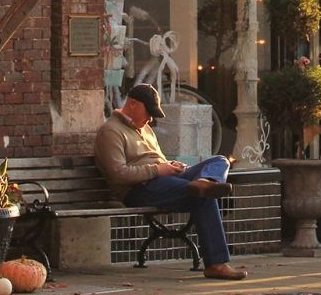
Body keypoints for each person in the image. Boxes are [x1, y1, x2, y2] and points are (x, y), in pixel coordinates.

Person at [93, 83, 247, 280]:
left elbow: (157, 159)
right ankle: (216, 263)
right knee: (203, 196)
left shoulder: (146, 129)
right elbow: (118, 174)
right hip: (138, 189)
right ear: (132, 104)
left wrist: (170, 165)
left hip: (163, 178)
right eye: (148, 112)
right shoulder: (111, 131)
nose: (150, 118)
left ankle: (205, 180)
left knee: (220, 160)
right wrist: (158, 169)